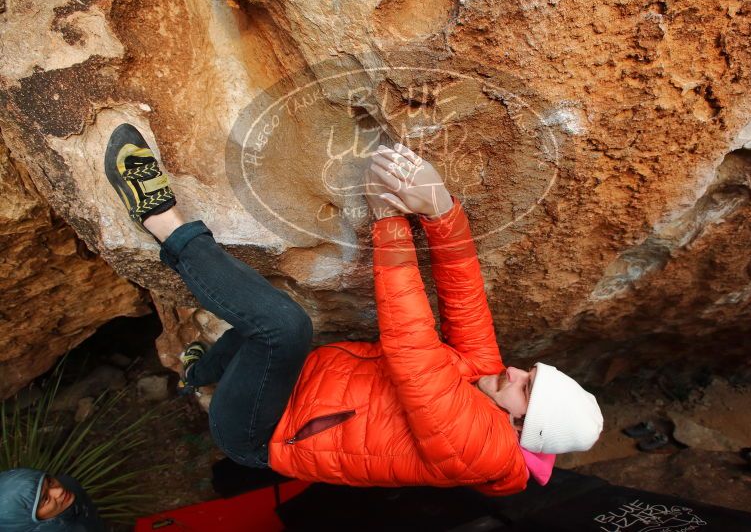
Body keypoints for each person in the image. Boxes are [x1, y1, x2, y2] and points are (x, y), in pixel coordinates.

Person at [103, 124, 603, 495]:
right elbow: (466, 301)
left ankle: (160, 218)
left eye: (526, 386)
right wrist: (442, 211)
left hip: (261, 431)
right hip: (304, 386)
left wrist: (389, 221)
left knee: (281, 325)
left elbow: (413, 352)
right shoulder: (490, 382)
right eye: (530, 372)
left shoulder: (479, 452)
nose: (514, 370)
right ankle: (199, 373)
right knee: (259, 334)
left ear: (523, 426)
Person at [0, 469, 105, 531]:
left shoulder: (70, 486)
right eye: (45, 499)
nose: (59, 490)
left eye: (50, 482)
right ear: (27, 520)